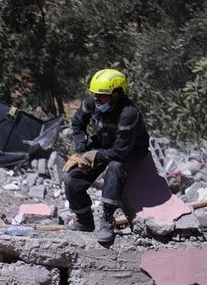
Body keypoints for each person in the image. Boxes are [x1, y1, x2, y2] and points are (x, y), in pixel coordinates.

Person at [63, 68, 151, 246]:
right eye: (95, 94)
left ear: (117, 94)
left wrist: (93, 155)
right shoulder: (92, 103)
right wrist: (80, 150)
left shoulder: (128, 114)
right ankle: (85, 220)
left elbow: (120, 152)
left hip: (129, 149)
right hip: (104, 143)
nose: (97, 99)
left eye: (102, 95)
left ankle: (107, 219)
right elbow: (78, 123)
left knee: (115, 166)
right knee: (70, 177)